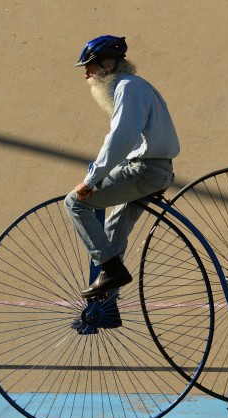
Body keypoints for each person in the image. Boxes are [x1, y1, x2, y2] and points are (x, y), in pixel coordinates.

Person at [65, 35, 180, 305]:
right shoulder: (139, 86)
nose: (86, 75)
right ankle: (105, 305)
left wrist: (91, 180)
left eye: (89, 67)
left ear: (106, 65)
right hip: (159, 171)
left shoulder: (125, 88)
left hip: (143, 170)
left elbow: (120, 138)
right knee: (114, 234)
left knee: (75, 203)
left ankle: (112, 269)